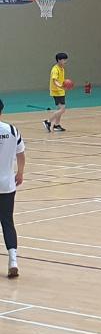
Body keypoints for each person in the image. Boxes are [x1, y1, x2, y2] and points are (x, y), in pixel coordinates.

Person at [0, 99, 24, 278]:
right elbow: (21, 154)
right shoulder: (12, 130)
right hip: (7, 185)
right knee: (7, 222)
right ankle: (13, 260)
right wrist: (20, 172)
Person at [44, 52, 69, 133]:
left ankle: (56, 125)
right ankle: (48, 121)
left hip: (61, 91)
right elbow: (54, 81)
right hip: (56, 91)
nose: (65, 61)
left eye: (66, 60)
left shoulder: (62, 69)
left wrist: (64, 86)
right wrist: (60, 86)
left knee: (60, 109)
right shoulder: (55, 69)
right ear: (59, 60)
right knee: (62, 109)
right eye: (63, 60)